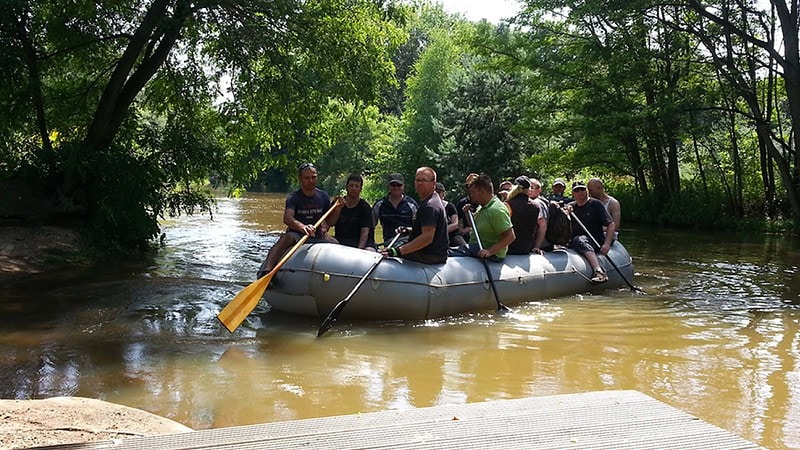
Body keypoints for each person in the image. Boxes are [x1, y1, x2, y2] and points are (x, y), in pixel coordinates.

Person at [258, 163, 342, 277]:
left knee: (336, 243)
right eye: (307, 178)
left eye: (313, 177)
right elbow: (287, 218)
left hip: (317, 235)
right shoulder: (294, 197)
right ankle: (267, 270)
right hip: (297, 234)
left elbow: (330, 222)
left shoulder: (323, 196)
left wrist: (337, 209)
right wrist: (303, 227)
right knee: (285, 238)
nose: (311, 180)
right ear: (300, 179)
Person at [381, 167, 449, 264]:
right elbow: (429, 229)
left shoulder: (430, 206)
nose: (420, 183)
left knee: (389, 254)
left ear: (433, 183)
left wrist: (397, 251)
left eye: (424, 180)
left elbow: (427, 237)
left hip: (430, 255)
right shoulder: (430, 200)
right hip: (430, 253)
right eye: (418, 180)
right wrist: (409, 230)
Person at [454, 174, 515, 262]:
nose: (470, 195)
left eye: (472, 192)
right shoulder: (482, 207)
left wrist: (489, 251)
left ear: (482, 191)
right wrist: (468, 214)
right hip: (476, 247)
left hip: (490, 252)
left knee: (450, 254)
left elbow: (510, 236)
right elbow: (474, 226)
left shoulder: (496, 210)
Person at [567, 181, 616, 283]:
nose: (580, 192)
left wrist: (606, 244)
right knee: (577, 239)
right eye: (577, 190)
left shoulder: (596, 205)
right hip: (574, 241)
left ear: (587, 191)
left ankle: (598, 271)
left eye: (582, 189)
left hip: (594, 239)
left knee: (580, 239)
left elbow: (611, 224)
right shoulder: (570, 207)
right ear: (573, 193)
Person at [332, 174, 376, 251]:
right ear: (346, 187)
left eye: (356, 186)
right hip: (340, 241)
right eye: (351, 185)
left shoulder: (365, 207)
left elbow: (365, 233)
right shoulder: (338, 203)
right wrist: (338, 209)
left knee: (369, 250)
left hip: (361, 242)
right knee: (324, 238)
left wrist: (359, 251)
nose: (353, 188)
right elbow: (330, 224)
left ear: (360, 189)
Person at [372, 173, 418, 245]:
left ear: (403, 186)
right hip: (388, 243)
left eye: (399, 185)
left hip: (408, 244)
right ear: (388, 186)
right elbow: (370, 226)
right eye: (393, 185)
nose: (396, 188)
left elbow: (419, 229)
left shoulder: (412, 205)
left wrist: (406, 229)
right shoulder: (380, 205)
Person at [505, 176, 545, 255]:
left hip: (510, 247)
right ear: (529, 189)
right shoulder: (536, 206)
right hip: (527, 247)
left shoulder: (508, 204)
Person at [436, 182, 467, 247]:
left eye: (438, 193)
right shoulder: (429, 208)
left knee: (463, 247)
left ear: (443, 194)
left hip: (452, 236)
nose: (437, 195)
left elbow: (455, 224)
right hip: (434, 238)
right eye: (434, 193)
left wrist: (441, 232)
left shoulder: (450, 206)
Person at [455, 173, 479, 244]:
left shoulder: (483, 203)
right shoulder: (462, 203)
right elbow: (458, 220)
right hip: (465, 234)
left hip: (480, 233)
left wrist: (470, 229)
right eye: (468, 186)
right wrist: (461, 230)